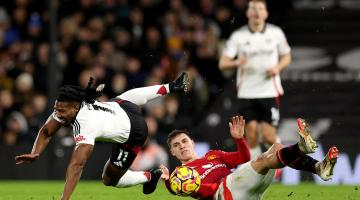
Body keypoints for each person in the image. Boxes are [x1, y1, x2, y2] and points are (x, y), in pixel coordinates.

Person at [15, 72, 190, 200]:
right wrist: (35, 152)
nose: (58, 114)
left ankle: (149, 176)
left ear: (76, 108)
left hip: (134, 132)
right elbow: (46, 131)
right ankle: (172, 86)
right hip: (121, 107)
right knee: (124, 97)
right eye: (56, 109)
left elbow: (77, 165)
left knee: (109, 179)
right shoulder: (67, 106)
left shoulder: (85, 124)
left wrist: (64, 199)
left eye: (61, 110)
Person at [160, 116, 338, 200]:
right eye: (176, 145)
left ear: (192, 142)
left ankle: (319, 168)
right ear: (172, 153)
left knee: (276, 148)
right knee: (264, 161)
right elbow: (179, 188)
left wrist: (239, 139)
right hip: (225, 192)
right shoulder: (181, 174)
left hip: (242, 189)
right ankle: (301, 148)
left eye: (184, 141)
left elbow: (243, 158)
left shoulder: (212, 155)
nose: (181, 146)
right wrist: (168, 182)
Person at [218, 0, 292, 159]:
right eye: (253, 9)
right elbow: (223, 63)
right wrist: (237, 62)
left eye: (260, 9)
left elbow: (287, 56)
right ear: (247, 13)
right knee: (251, 134)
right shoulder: (238, 36)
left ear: (266, 13)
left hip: (269, 91)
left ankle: (280, 153)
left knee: (268, 136)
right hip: (246, 92)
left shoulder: (275, 33)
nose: (257, 12)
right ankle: (257, 171)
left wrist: (277, 68)